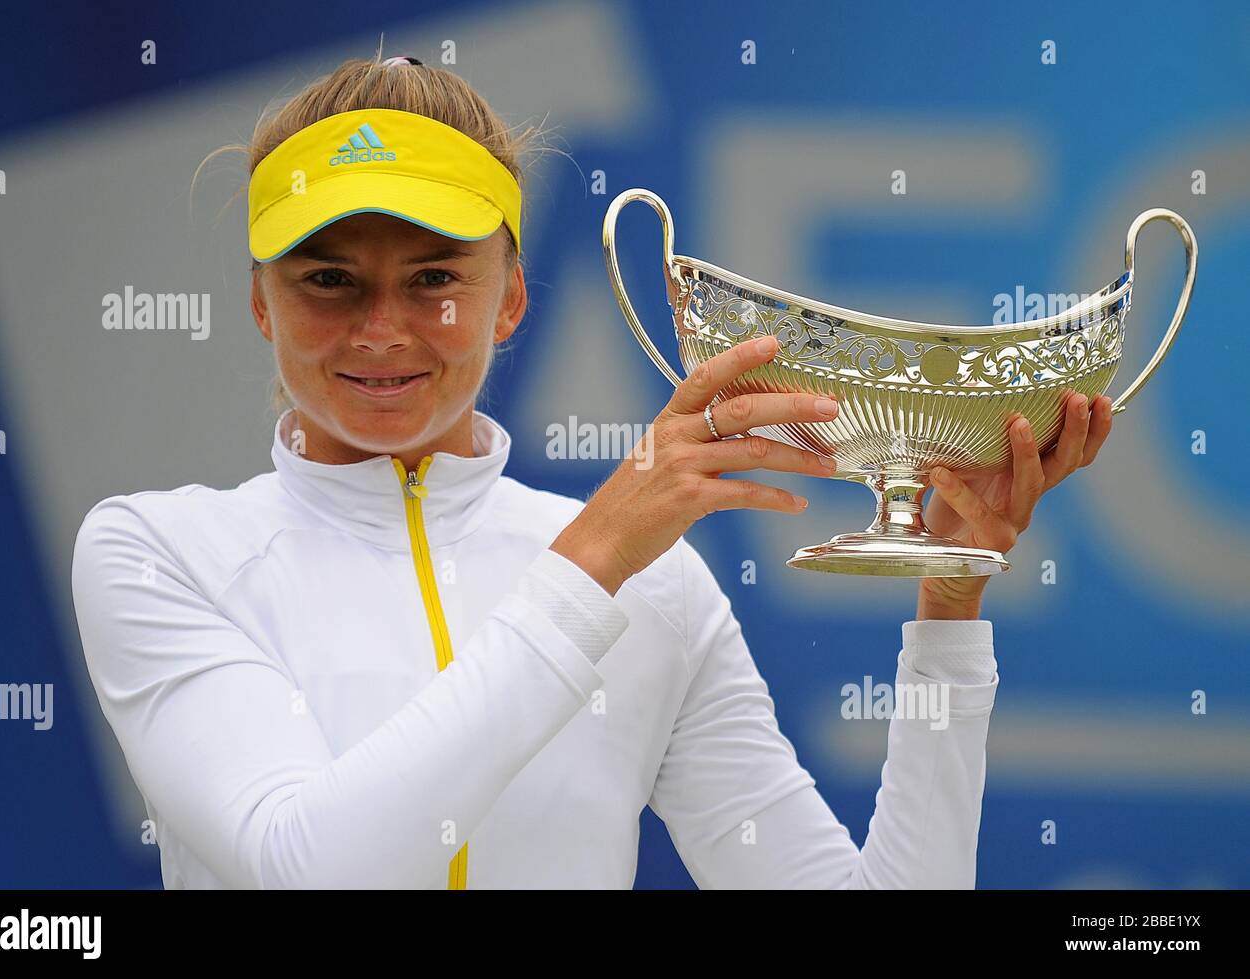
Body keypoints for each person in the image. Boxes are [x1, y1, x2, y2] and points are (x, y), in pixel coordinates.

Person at [70, 52, 1114, 889]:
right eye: (327, 280)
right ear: (260, 304)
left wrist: (947, 610)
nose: (381, 328)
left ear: (510, 298)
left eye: (435, 277)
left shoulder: (652, 587)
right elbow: (307, 867)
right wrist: (594, 557)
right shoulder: (159, 552)